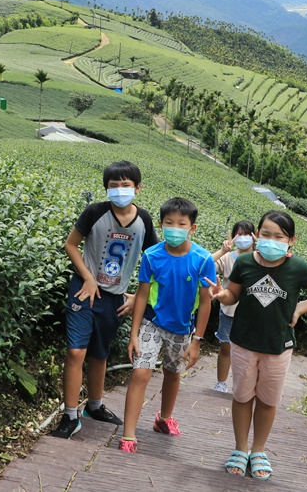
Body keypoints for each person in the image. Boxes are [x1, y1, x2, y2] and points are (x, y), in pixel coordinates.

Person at [206, 210, 307, 480]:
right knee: (242, 396)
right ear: (257, 235)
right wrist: (221, 295)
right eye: (265, 234)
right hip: (243, 343)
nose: (271, 240)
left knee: (268, 401)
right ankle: (240, 448)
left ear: (291, 240)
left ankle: (258, 450)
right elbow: (233, 295)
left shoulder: (298, 268)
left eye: (278, 236)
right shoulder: (245, 263)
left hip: (279, 346)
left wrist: (300, 309)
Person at [51, 160, 158, 439]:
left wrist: (138, 295)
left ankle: (95, 407)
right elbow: (71, 244)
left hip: (115, 298)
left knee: (100, 354)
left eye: (125, 185)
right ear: (106, 189)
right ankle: (70, 415)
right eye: (113, 186)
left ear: (138, 188)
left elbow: (156, 261)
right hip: (84, 291)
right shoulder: (95, 212)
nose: (120, 190)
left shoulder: (144, 220)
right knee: (76, 351)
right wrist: (86, 276)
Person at [117, 197, 216, 453]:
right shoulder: (152, 255)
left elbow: (206, 303)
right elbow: (142, 294)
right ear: (161, 224)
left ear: (192, 227)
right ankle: (129, 434)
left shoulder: (203, 260)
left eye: (181, 223)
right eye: (169, 222)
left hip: (183, 328)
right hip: (152, 322)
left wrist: (198, 341)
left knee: (173, 373)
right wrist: (134, 334)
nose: (174, 228)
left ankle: (163, 419)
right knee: (141, 372)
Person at [210, 220, 256, 394]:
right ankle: (221, 383)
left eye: (247, 234)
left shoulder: (260, 258)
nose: (243, 238)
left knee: (249, 353)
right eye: (239, 234)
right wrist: (223, 250)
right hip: (229, 311)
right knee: (226, 347)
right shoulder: (228, 258)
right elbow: (205, 265)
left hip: (252, 314)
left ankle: (243, 386)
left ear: (254, 236)